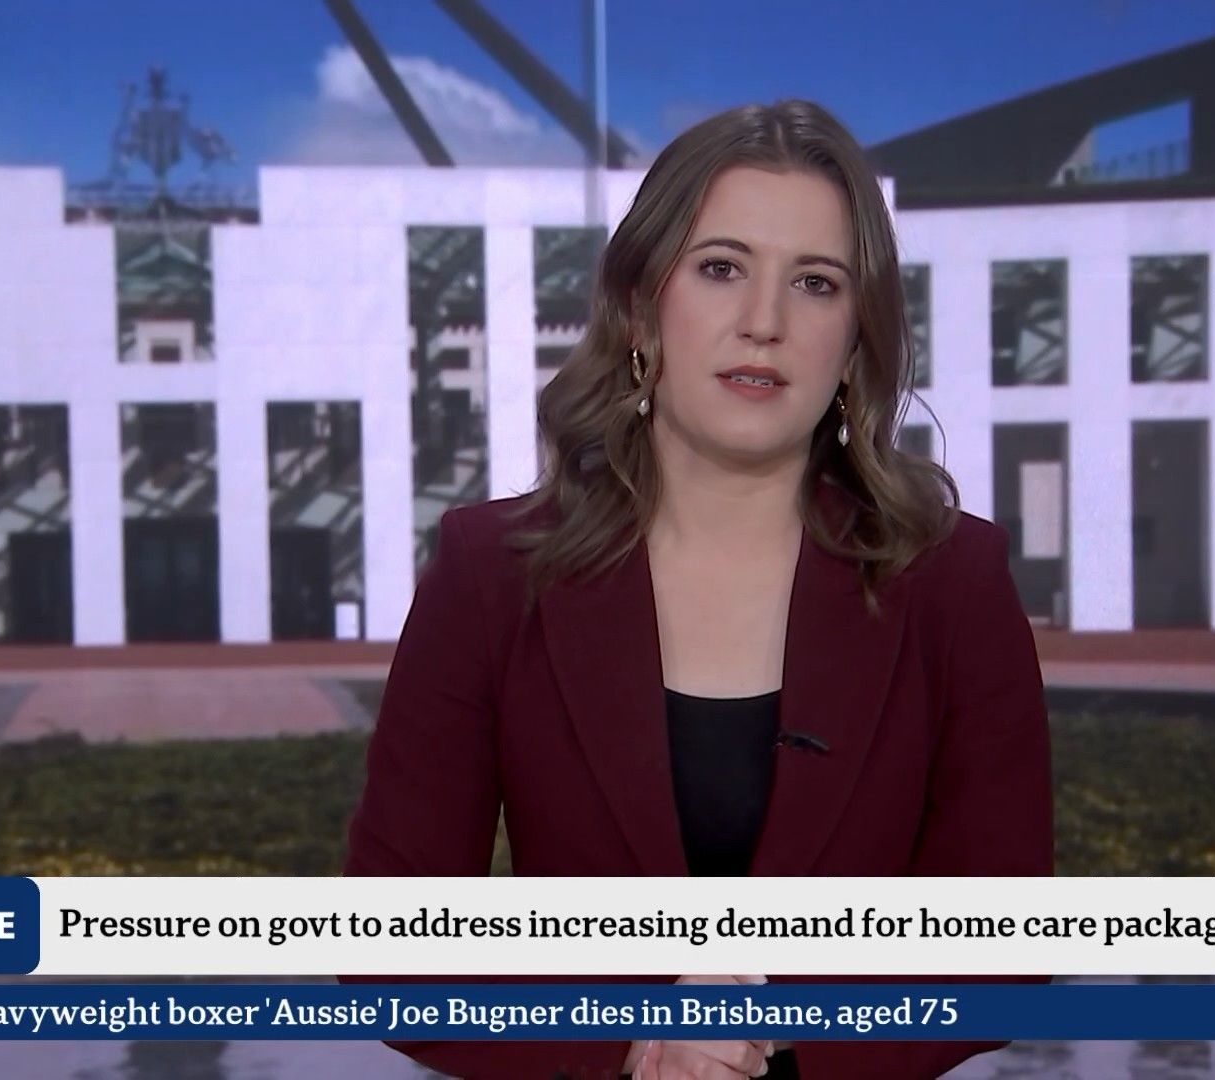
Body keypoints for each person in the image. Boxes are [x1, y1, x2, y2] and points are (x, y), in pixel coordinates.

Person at [343, 99, 1053, 1080]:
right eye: (721, 268)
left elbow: (1002, 950)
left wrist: (781, 1026)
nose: (764, 322)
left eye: (815, 283)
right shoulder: (490, 574)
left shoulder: (953, 583)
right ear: (642, 310)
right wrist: (632, 1039)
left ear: (854, 344)